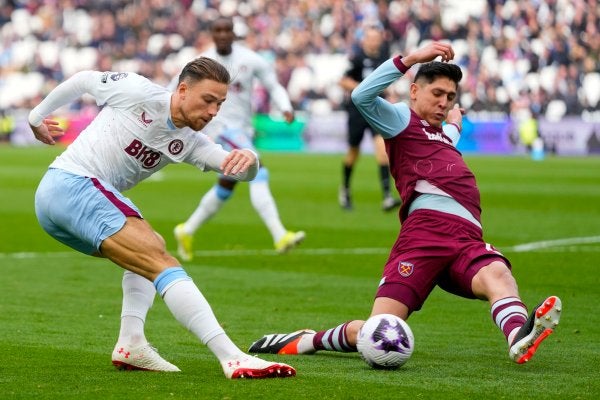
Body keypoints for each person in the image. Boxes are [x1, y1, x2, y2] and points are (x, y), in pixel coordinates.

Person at [247, 42, 562, 365]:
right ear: (414, 91)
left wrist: (454, 120)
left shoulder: (441, 134)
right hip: (424, 237)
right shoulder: (400, 119)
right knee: (375, 332)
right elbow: (361, 97)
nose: (443, 102)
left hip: (467, 238)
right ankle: (307, 340)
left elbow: (448, 134)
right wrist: (410, 59)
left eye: (450, 97)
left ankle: (518, 336)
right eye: (437, 94)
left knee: (498, 274)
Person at [29, 57, 296, 379]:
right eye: (208, 100)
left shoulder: (190, 142)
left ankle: (131, 343)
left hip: (62, 202)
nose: (213, 111)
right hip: (72, 183)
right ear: (183, 90)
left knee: (149, 250)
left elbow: (236, 170)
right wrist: (36, 116)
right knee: (161, 261)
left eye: (220, 103)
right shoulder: (138, 91)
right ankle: (232, 357)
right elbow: (85, 79)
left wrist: (250, 158)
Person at [173, 16, 305, 262]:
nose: (223, 35)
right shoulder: (201, 63)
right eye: (217, 30)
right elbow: (175, 88)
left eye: (227, 30)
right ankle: (279, 234)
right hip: (217, 129)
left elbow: (273, 85)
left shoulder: (250, 59)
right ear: (212, 34)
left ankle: (187, 229)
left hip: (242, 129)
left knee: (226, 185)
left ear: (234, 33)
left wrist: (285, 106)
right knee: (257, 169)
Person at [338, 24, 401, 212]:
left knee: (382, 151)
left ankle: (387, 196)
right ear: (364, 40)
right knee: (353, 153)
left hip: (377, 110)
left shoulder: (383, 59)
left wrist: (389, 93)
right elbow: (343, 80)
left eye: (376, 38)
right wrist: (363, 89)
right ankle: (346, 189)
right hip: (357, 111)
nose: (374, 41)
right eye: (371, 38)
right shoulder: (356, 59)